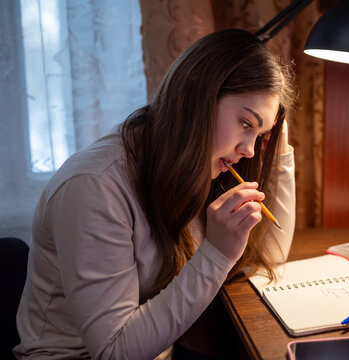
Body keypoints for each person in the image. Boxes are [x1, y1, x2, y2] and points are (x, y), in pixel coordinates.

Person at [14, 29, 296, 360]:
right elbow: (113, 351)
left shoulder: (197, 166)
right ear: (197, 98)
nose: (249, 150)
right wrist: (217, 253)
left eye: (259, 134)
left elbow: (270, 258)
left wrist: (279, 155)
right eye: (246, 123)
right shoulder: (94, 186)